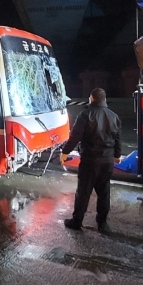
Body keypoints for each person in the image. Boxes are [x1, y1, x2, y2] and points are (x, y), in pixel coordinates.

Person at [60, 88, 121, 232]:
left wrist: (65, 152)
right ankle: (102, 224)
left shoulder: (85, 115)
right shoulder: (114, 116)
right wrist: (117, 155)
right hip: (107, 161)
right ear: (104, 99)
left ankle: (77, 221)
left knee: (83, 192)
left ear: (92, 98)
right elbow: (117, 138)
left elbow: (75, 136)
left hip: (90, 160)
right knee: (104, 192)